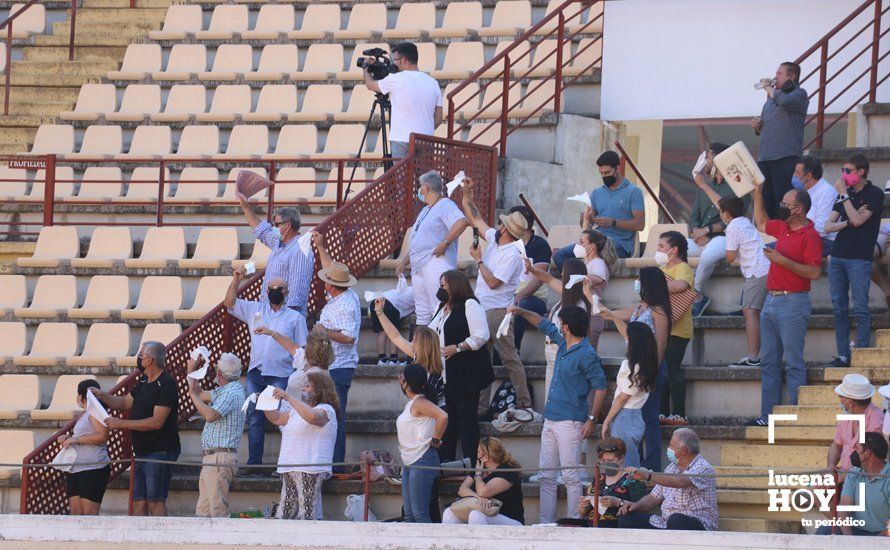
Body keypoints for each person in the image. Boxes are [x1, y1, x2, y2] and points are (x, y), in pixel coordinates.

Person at [507, 304, 606, 524]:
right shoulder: (564, 343)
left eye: (561, 323)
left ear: (566, 327)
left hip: (570, 421)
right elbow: (542, 324)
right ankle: (546, 522)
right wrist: (521, 311)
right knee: (547, 476)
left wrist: (592, 418)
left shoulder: (587, 354)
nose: (558, 326)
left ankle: (573, 522)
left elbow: (601, 386)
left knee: (570, 476)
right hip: (552, 418)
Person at [748, 182, 822, 426]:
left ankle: (795, 417)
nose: (782, 207)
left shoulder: (810, 235)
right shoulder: (784, 228)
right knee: (769, 361)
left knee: (793, 361)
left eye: (786, 205)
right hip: (772, 299)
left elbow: (813, 273)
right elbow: (761, 223)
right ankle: (767, 417)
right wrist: (758, 194)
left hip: (793, 300)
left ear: (798, 209)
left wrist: (782, 260)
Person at [461, 177, 531, 415]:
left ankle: (524, 402)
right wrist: (467, 191)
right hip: (484, 309)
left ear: (505, 230)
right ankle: (481, 408)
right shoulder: (495, 240)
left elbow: (492, 283)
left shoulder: (512, 254)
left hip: (498, 311)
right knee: (483, 360)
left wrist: (479, 259)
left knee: (509, 358)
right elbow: (474, 216)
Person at [225, 267, 305, 474]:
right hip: (256, 372)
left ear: (287, 292)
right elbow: (229, 303)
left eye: (280, 288)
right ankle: (254, 463)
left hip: (281, 373)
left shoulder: (296, 319)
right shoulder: (255, 310)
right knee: (254, 417)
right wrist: (236, 279)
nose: (276, 291)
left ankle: (284, 464)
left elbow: (301, 350)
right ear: (266, 290)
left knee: (282, 419)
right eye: (272, 288)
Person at [91, 341, 179, 516]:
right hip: (142, 450)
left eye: (141, 355)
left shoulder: (166, 383)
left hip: (160, 450)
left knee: (155, 501)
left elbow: (156, 422)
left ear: (150, 360)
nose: (138, 358)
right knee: (138, 501)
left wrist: (121, 424)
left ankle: (162, 539)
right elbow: (124, 403)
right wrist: (103, 396)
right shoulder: (144, 380)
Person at [600, 267, 671, 471]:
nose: (637, 283)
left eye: (640, 279)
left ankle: (652, 465)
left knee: (650, 418)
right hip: (638, 365)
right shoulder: (640, 307)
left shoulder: (659, 310)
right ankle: (638, 463)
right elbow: (613, 315)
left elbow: (661, 341)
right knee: (639, 418)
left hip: (651, 367)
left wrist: (652, 370)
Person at [823, 154, 884, 368]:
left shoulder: (874, 194)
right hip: (838, 255)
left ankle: (861, 352)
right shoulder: (845, 194)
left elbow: (860, 220)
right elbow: (828, 226)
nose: (844, 175)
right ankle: (842, 355)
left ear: (861, 172)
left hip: (859, 258)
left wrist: (844, 198)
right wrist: (847, 222)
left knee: (860, 307)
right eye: (843, 170)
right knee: (839, 307)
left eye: (848, 171)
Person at [427, 269, 494, 463]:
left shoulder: (470, 304)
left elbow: (481, 336)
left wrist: (457, 348)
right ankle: (447, 464)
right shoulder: (442, 308)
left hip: (466, 373)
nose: (441, 289)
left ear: (455, 285)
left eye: (444, 285)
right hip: (446, 375)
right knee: (450, 421)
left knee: (466, 420)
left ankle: (471, 465)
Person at [312, 232, 362, 467]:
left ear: (331, 286)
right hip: (335, 365)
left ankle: (336, 461)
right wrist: (321, 246)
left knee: (336, 416)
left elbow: (349, 338)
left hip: (339, 367)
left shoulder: (345, 305)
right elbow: (330, 266)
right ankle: (332, 460)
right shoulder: (344, 295)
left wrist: (324, 332)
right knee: (332, 414)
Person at [397, 170, 468, 327]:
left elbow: (462, 222)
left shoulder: (445, 204)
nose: (419, 190)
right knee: (422, 313)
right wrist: (404, 261)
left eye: (420, 186)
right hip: (418, 266)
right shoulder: (426, 209)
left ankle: (439, 348)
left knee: (438, 308)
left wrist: (445, 243)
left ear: (426, 188)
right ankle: (423, 350)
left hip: (435, 262)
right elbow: (420, 241)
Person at [266, 370, 339, 520]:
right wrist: (265, 402)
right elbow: (277, 418)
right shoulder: (296, 411)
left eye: (307, 386)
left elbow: (312, 417)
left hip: (309, 467)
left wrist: (288, 397)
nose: (303, 389)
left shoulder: (326, 409)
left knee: (306, 512)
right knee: (284, 512)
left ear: (319, 389)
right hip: (290, 466)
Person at [553, 151, 645, 268]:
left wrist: (613, 222)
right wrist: (585, 219)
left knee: (592, 256)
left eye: (607, 172)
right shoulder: (597, 193)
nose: (604, 176)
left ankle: (586, 281)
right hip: (595, 240)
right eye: (601, 173)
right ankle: (577, 283)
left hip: (618, 245)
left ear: (617, 169)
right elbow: (587, 226)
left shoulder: (633, 192)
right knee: (559, 256)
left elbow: (640, 224)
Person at [617, 428, 718, 531]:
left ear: (683, 450)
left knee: (676, 520)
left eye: (671, 446)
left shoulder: (703, 467)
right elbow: (654, 497)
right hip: (665, 523)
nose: (668, 448)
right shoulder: (671, 467)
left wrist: (648, 475)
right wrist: (635, 505)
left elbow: (680, 481)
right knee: (626, 518)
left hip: (696, 524)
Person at [688, 142, 747, 316]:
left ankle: (696, 294)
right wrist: (696, 233)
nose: (704, 161)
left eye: (707, 156)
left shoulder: (739, 185)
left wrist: (706, 230)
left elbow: (734, 219)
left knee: (708, 256)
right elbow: (693, 218)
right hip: (701, 240)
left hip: (725, 238)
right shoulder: (705, 187)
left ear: (718, 159)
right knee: (664, 252)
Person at [187, 352, 247, 518]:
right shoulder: (227, 390)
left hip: (219, 457)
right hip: (215, 457)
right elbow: (199, 392)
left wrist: (192, 394)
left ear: (219, 373)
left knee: (217, 511)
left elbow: (210, 415)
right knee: (204, 511)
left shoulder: (232, 393)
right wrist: (191, 373)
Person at [364, 42, 442, 159]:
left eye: (395, 60)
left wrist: (366, 67)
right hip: (426, 140)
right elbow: (439, 119)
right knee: (424, 177)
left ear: (404, 60)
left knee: (402, 177)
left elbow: (370, 85)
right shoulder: (433, 83)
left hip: (401, 140)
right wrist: (425, 129)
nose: (394, 64)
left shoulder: (396, 79)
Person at [235, 199, 314, 316]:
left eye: (276, 224)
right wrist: (246, 208)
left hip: (284, 316)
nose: (273, 228)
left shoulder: (300, 251)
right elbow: (262, 231)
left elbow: (296, 293)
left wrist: (281, 320)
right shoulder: (278, 242)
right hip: (270, 312)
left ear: (287, 225)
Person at [524, 258, 590, 395]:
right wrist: (531, 269)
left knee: (559, 395)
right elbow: (547, 278)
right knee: (550, 395)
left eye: (564, 272)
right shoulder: (567, 295)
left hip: (562, 352)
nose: (561, 275)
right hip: (550, 350)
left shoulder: (579, 303)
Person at [752, 61, 809, 218]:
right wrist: (757, 126)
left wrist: (767, 87)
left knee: (782, 197)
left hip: (785, 156)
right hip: (765, 157)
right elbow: (764, 126)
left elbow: (785, 101)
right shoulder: (770, 100)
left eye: (779, 73)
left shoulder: (799, 94)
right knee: (766, 199)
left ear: (792, 76)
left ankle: (784, 232)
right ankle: (772, 232)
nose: (775, 76)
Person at [719, 196, 770, 367]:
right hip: (763, 269)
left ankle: (754, 358)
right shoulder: (745, 221)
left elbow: (730, 256)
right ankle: (756, 356)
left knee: (750, 312)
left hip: (756, 271)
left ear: (726, 215)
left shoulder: (733, 226)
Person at [600, 320, 658, 468]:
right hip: (632, 415)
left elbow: (622, 398)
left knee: (626, 465)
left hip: (625, 415)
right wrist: (612, 315)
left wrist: (606, 420)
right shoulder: (645, 362)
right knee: (625, 461)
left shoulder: (634, 366)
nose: (627, 339)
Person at [397, 363, 449, 523]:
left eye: (402, 377)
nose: (399, 379)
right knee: (410, 514)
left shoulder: (419, 402)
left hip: (422, 459)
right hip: (409, 461)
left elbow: (443, 416)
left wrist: (436, 439)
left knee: (419, 513)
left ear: (407, 382)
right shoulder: (412, 403)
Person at [373, 299, 445, 408]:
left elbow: (429, 405)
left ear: (423, 346)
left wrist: (406, 387)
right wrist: (380, 312)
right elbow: (395, 337)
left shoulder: (440, 372)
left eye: (414, 340)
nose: (411, 343)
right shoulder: (420, 356)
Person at [816, 432, 890, 536]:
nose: (853, 453)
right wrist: (849, 538)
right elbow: (844, 509)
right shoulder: (854, 472)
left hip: (882, 535)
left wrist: (877, 540)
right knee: (824, 531)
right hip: (855, 530)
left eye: (857, 450)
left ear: (867, 453)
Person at [442, 437, 525, 526]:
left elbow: (483, 491)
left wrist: (478, 474)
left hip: (509, 518)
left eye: (478, 452)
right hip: (485, 513)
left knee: (476, 514)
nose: (476, 455)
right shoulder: (480, 468)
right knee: (449, 512)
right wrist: (478, 497)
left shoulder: (507, 471)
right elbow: (462, 490)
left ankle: (479, 540)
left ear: (486, 456)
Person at [657, 231, 694, 426]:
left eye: (661, 246)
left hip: (678, 330)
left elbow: (681, 285)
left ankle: (679, 413)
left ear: (674, 250)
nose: (658, 249)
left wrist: (656, 286)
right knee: (662, 370)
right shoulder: (661, 268)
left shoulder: (683, 267)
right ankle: (662, 412)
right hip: (663, 328)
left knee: (672, 368)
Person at [59, 379, 110, 515]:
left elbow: (102, 436)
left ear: (81, 396)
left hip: (93, 466)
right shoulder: (85, 414)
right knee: (75, 512)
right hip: (76, 468)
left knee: (89, 514)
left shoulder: (95, 412)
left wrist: (75, 440)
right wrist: (68, 438)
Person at [576, 439, 648, 528]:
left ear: (621, 458)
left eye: (610, 460)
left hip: (616, 527)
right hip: (592, 526)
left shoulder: (632, 479)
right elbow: (584, 512)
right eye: (603, 461)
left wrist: (618, 503)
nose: (606, 464)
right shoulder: (598, 479)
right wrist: (583, 506)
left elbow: (642, 508)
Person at [509, 205, 552, 352]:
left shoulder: (540, 245)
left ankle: (514, 351)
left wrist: (517, 297)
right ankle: (498, 356)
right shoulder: (509, 243)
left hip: (534, 299)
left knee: (520, 306)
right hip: (510, 295)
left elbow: (539, 279)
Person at [828, 374, 885, 483]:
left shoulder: (876, 421)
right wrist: (830, 467)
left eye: (841, 396)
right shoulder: (847, 416)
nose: (839, 399)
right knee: (811, 492)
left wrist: (838, 479)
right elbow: (836, 444)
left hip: (867, 480)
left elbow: (870, 461)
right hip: (845, 476)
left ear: (850, 403)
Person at [794, 155, 838, 255]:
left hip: (825, 242)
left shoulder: (827, 192)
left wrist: (796, 227)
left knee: (778, 250)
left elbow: (822, 229)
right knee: (767, 249)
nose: (794, 176)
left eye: (797, 173)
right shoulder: (802, 192)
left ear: (808, 175)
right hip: (802, 238)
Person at [370, 282, 414, 366]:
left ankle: (382, 360)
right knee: (393, 333)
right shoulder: (419, 294)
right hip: (390, 304)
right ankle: (393, 360)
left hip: (376, 300)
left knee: (381, 332)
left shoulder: (408, 288)